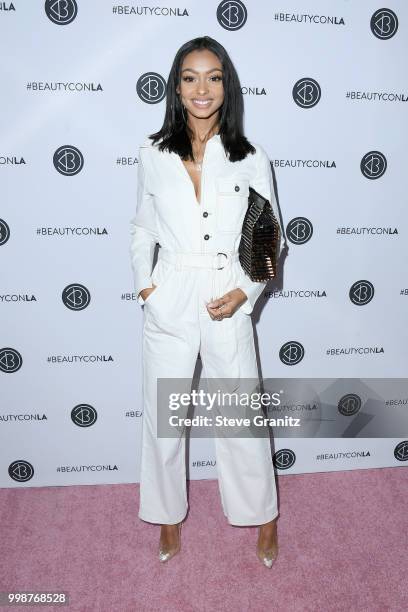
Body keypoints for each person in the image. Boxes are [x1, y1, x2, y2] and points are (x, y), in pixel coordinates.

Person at [129, 36, 284, 568]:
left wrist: (246, 290)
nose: (202, 88)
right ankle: (168, 517)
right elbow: (142, 229)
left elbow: (268, 236)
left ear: (226, 85)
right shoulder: (152, 152)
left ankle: (263, 517)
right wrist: (147, 288)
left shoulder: (249, 156)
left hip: (228, 294)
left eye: (213, 77)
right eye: (191, 77)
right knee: (164, 418)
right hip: (170, 297)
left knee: (240, 415)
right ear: (177, 85)